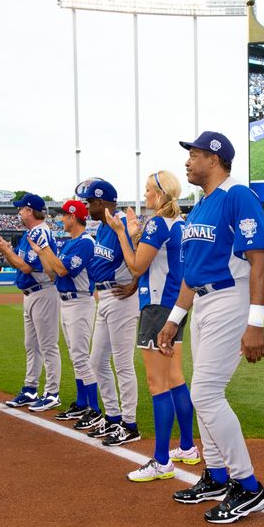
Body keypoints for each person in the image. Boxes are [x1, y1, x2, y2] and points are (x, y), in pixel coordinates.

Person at [157, 131, 264, 524]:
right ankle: (217, 475)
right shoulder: (201, 205)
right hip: (203, 301)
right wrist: (174, 321)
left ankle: (249, 486)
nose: (188, 162)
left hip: (229, 297)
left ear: (214, 158)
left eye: (194, 155)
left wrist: (255, 323)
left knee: (206, 393)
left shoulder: (237, 195)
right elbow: (190, 273)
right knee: (202, 391)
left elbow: (260, 258)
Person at [104, 170, 199, 482]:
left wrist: (120, 231)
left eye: (148, 191)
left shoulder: (158, 223)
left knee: (158, 383)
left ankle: (161, 461)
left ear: (160, 194)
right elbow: (153, 258)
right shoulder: (179, 223)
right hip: (175, 307)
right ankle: (186, 446)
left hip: (157, 308)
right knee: (175, 378)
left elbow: (136, 265)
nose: (144, 196)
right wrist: (134, 233)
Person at [73, 178, 141, 446]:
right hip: (105, 296)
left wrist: (135, 284)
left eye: (90, 202)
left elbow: (141, 256)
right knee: (96, 361)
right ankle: (112, 417)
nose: (87, 207)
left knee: (123, 364)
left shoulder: (122, 222)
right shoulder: (103, 227)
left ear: (101, 202)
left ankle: (129, 423)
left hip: (121, 296)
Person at [27, 199, 99, 425]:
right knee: (75, 356)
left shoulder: (85, 242)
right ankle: (82, 403)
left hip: (80, 302)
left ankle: (94, 409)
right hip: (67, 302)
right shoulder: (70, 243)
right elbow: (51, 273)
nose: (61, 219)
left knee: (80, 357)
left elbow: (62, 269)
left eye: (64, 215)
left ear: (74, 217)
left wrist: (46, 249)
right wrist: (40, 252)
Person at [0, 192, 62, 413]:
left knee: (47, 345)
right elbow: (21, 262)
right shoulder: (31, 232)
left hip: (43, 292)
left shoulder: (39, 233)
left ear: (30, 211)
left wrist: (5, 251)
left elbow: (26, 266)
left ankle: (52, 393)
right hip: (31, 293)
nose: (19, 212)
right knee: (31, 345)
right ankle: (31, 389)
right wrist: (7, 250)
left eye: (21, 208)